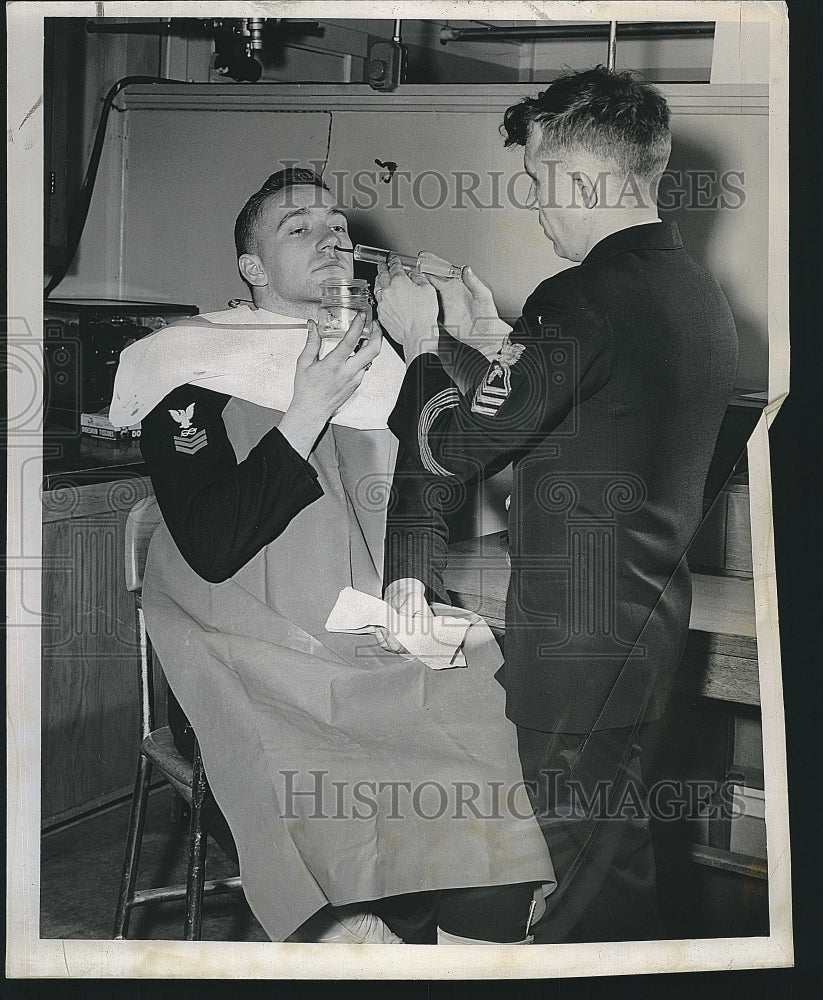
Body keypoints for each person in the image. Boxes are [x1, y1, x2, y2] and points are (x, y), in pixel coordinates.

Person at [109, 168, 554, 944]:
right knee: (349, 778)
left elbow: (482, 455)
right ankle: (370, 930)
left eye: (339, 228)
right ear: (251, 269)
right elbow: (214, 546)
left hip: (370, 630)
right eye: (298, 227)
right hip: (246, 653)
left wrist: (473, 340)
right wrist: (306, 408)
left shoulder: (388, 363)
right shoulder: (187, 365)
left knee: (509, 719)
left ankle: (462, 947)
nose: (331, 239)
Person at [375, 68, 740, 942]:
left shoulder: (578, 297)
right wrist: (485, 340)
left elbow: (451, 447)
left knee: (567, 885)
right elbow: (574, 406)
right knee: (606, 863)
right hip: (640, 629)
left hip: (575, 646)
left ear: (580, 181)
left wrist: (425, 344)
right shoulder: (687, 290)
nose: (537, 209)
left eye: (539, 183)